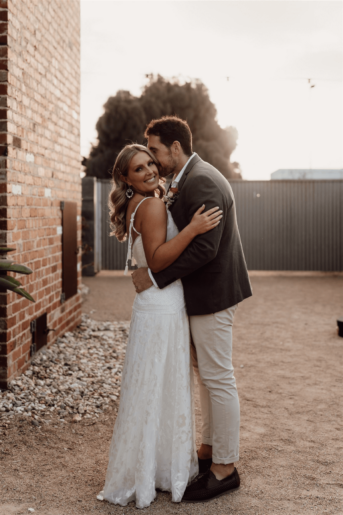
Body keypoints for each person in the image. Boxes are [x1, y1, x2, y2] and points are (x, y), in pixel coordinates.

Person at [132, 116, 253, 503]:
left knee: (218, 378)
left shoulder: (201, 179)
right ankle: (208, 450)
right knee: (207, 377)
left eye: (154, 150)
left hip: (213, 296)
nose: (152, 159)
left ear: (175, 148)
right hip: (202, 295)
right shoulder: (187, 178)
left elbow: (206, 248)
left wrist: (156, 277)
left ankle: (225, 469)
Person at [98, 144, 223, 509]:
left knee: (152, 385)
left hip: (153, 305)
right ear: (126, 178)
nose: (150, 170)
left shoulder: (143, 202)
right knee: (162, 384)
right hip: (163, 305)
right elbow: (156, 260)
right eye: (139, 168)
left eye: (151, 163)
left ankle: (150, 469)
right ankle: (159, 471)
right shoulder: (151, 205)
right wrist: (195, 228)